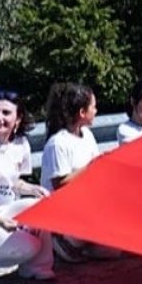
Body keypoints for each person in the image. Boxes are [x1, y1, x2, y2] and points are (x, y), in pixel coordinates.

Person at [0, 91, 54, 281]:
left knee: (42, 206)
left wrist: (33, 189)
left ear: (18, 119)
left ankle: (36, 266)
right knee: (30, 246)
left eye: (6, 113)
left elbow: (14, 182)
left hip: (5, 212)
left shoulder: (21, 144)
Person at [41, 83, 120, 263]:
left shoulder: (87, 135)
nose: (96, 110)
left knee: (114, 250)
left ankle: (83, 247)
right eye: (93, 106)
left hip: (85, 203)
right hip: (64, 211)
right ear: (82, 113)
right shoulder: (58, 143)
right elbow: (59, 184)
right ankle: (60, 242)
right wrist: (91, 166)